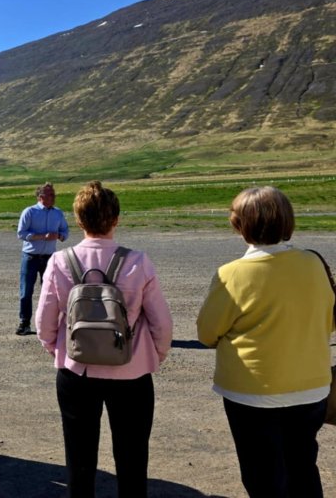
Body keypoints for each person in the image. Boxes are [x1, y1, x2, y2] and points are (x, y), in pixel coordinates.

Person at [35, 180, 172, 497]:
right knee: (132, 458)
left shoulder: (60, 261)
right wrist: (154, 355)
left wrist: (59, 350)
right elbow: (162, 324)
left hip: (77, 370)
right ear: (116, 219)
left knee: (79, 459)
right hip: (131, 372)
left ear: (78, 220)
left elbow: (44, 323)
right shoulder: (138, 261)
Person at [197, 186, 334, 498]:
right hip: (312, 388)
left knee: (263, 477)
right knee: (303, 468)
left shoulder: (232, 274)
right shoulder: (313, 263)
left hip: (252, 392)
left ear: (238, 225)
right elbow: (330, 321)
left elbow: (207, 333)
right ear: (288, 221)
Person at [16, 182, 69, 335]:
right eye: (50, 194)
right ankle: (24, 323)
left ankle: (51, 325)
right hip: (30, 257)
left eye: (54, 194)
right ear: (41, 197)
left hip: (49, 258)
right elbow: (21, 233)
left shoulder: (57, 213)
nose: (54, 197)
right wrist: (42, 236)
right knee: (26, 291)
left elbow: (65, 230)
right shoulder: (30, 212)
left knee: (51, 292)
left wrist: (60, 236)